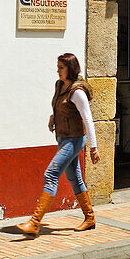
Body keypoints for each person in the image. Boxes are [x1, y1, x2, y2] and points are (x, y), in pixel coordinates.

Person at [16, 53, 100, 235]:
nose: (58, 70)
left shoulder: (77, 92)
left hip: (75, 140)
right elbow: (60, 106)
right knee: (75, 179)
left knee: (51, 174)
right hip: (63, 139)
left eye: (61, 67)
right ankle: (90, 218)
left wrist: (93, 147)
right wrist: (53, 117)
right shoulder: (60, 86)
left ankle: (35, 222)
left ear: (70, 68)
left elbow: (88, 119)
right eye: (58, 67)